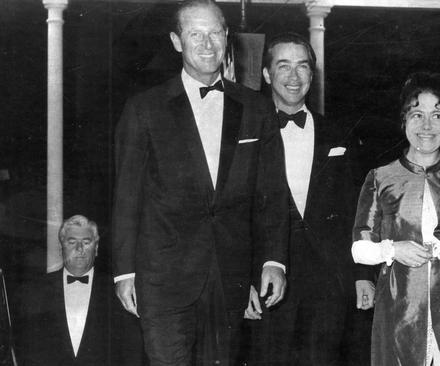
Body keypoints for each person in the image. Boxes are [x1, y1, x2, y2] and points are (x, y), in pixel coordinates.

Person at [111, 1, 289, 365]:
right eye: (196, 34)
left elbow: (270, 196)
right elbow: (127, 197)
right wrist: (124, 272)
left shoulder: (257, 108)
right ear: (177, 41)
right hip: (163, 279)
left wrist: (273, 261)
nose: (207, 44)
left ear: (226, 37)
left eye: (214, 33)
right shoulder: (145, 109)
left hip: (230, 276)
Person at [245, 32, 374, 366]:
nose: (293, 76)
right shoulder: (244, 136)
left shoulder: (339, 133)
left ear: (312, 76)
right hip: (267, 283)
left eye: (302, 66)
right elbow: (235, 215)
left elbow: (356, 210)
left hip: (328, 282)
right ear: (267, 75)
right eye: (283, 65)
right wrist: (241, 281)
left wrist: (362, 273)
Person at [351, 71, 440, 365]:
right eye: (417, 115)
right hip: (401, 306)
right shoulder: (381, 178)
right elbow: (359, 248)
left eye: (437, 115)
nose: (427, 126)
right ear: (404, 120)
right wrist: (393, 250)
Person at [15, 215, 144, 366]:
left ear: (96, 249)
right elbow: (26, 349)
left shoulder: (120, 292)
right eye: (72, 242)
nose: (79, 249)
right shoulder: (35, 291)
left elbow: (132, 352)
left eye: (86, 242)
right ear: (61, 247)